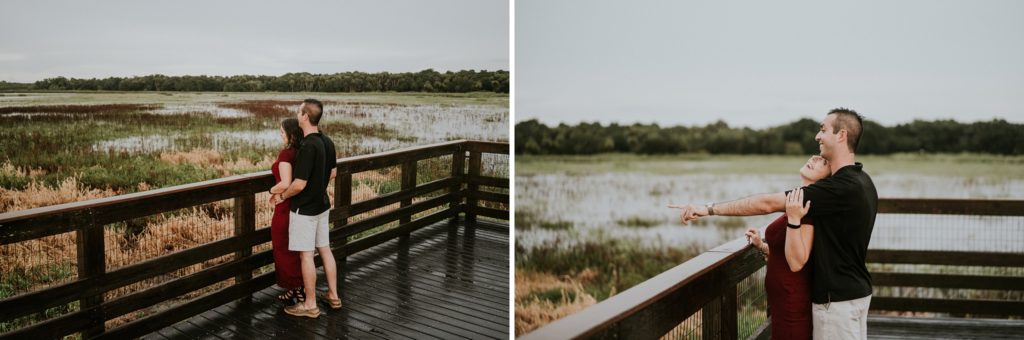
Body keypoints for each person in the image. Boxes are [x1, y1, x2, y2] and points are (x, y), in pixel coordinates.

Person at [669, 108, 878, 340]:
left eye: (823, 130)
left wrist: (709, 209)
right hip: (856, 293)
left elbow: (767, 203)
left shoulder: (838, 188)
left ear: (841, 135)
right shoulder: (863, 180)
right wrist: (766, 247)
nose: (817, 136)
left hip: (836, 302)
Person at [743, 155, 829, 340]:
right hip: (782, 302)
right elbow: (788, 251)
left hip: (793, 302)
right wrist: (762, 245)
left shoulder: (807, 210)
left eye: (822, 161)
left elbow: (798, 261)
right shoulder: (796, 205)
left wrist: (794, 219)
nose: (814, 157)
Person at [272, 99, 341, 318]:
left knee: (306, 256)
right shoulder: (327, 141)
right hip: (322, 205)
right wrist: (318, 187)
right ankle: (333, 295)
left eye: (299, 111)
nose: (297, 114)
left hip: (305, 210)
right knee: (325, 249)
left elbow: (299, 184)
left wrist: (281, 195)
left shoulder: (308, 146)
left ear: (304, 116)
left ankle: (310, 304)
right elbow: (332, 173)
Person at [268, 118, 305, 303]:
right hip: (299, 206)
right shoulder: (302, 151)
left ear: (290, 134)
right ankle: (296, 289)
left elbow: (285, 183)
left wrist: (271, 191)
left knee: (283, 248)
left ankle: (296, 288)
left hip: (284, 206)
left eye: (282, 131)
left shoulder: (285, 154)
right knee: (296, 249)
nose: (280, 134)